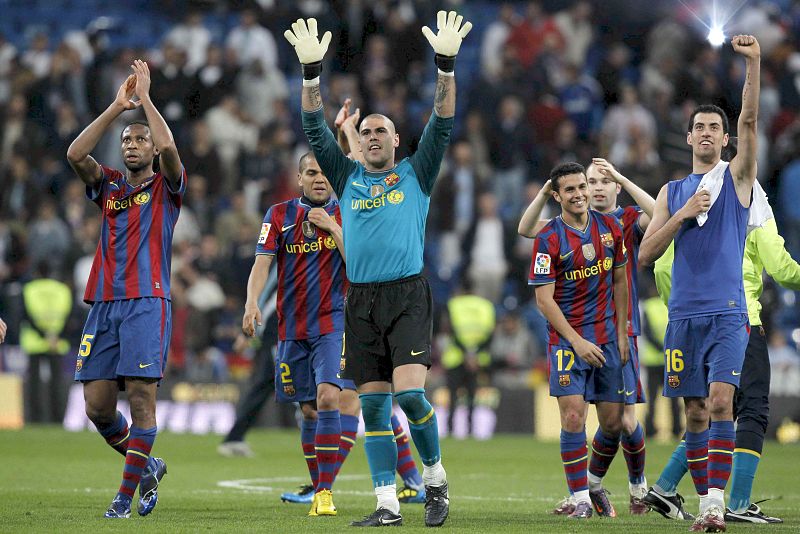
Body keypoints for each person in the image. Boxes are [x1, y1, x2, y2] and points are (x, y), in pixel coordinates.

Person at [285, 11, 472, 527]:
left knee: (410, 395)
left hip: (408, 295)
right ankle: (387, 503)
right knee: (371, 410)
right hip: (359, 301)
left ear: (395, 141)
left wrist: (447, 66)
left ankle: (435, 480)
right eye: (365, 131)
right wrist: (310, 76)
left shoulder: (418, 171)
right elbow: (311, 125)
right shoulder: (345, 177)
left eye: (381, 132)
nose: (371, 137)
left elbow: (443, 119)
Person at [638, 35, 761, 532]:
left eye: (715, 127)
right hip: (682, 317)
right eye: (700, 127)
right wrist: (683, 216)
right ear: (688, 138)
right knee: (692, 413)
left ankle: (713, 506)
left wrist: (751, 64)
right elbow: (645, 253)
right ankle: (695, 498)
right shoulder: (672, 192)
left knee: (720, 402)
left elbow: (750, 120)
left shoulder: (738, 180)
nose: (707, 133)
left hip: (728, 313)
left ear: (726, 140)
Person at [66, 60, 182, 518]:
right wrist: (117, 108)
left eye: (139, 139)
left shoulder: (167, 189)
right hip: (104, 305)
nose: (131, 145)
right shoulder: (110, 186)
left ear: (152, 149)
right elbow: (76, 154)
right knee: (97, 407)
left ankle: (123, 496)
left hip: (147, 303)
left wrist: (147, 99)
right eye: (127, 141)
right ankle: (148, 465)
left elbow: (171, 145)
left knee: (141, 399)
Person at [645, 174, 791, 525]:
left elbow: (663, 267)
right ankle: (737, 503)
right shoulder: (753, 207)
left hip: (691, 319)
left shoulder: (696, 217)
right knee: (748, 409)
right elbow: (782, 268)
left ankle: (665, 485)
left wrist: (679, 309)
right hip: (742, 322)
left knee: (707, 410)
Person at [519, 158, 654, 516]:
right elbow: (543, 300)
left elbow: (621, 279)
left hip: (610, 338)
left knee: (614, 423)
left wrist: (624, 333)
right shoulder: (548, 237)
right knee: (574, 417)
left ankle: (596, 485)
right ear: (558, 196)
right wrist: (576, 341)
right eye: (572, 189)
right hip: (567, 342)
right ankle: (580, 498)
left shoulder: (610, 226)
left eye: (583, 186)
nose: (581, 194)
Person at [242, 152, 352, 517]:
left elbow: (360, 264)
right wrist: (252, 303)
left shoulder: (345, 212)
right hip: (291, 327)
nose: (319, 179)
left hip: (333, 323)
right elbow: (262, 262)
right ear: (299, 178)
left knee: (327, 399)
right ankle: (317, 482)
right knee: (306, 410)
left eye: (324, 173)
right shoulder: (278, 215)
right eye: (311, 173)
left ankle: (324, 492)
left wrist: (334, 229)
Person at [21, 262, 72, 423]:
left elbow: (25, 316)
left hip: (35, 342)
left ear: (36, 273)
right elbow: (69, 316)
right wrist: (55, 335)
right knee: (57, 383)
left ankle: (34, 419)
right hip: (57, 342)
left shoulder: (29, 289)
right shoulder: (62, 290)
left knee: (34, 383)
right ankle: (58, 419)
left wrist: (43, 335)